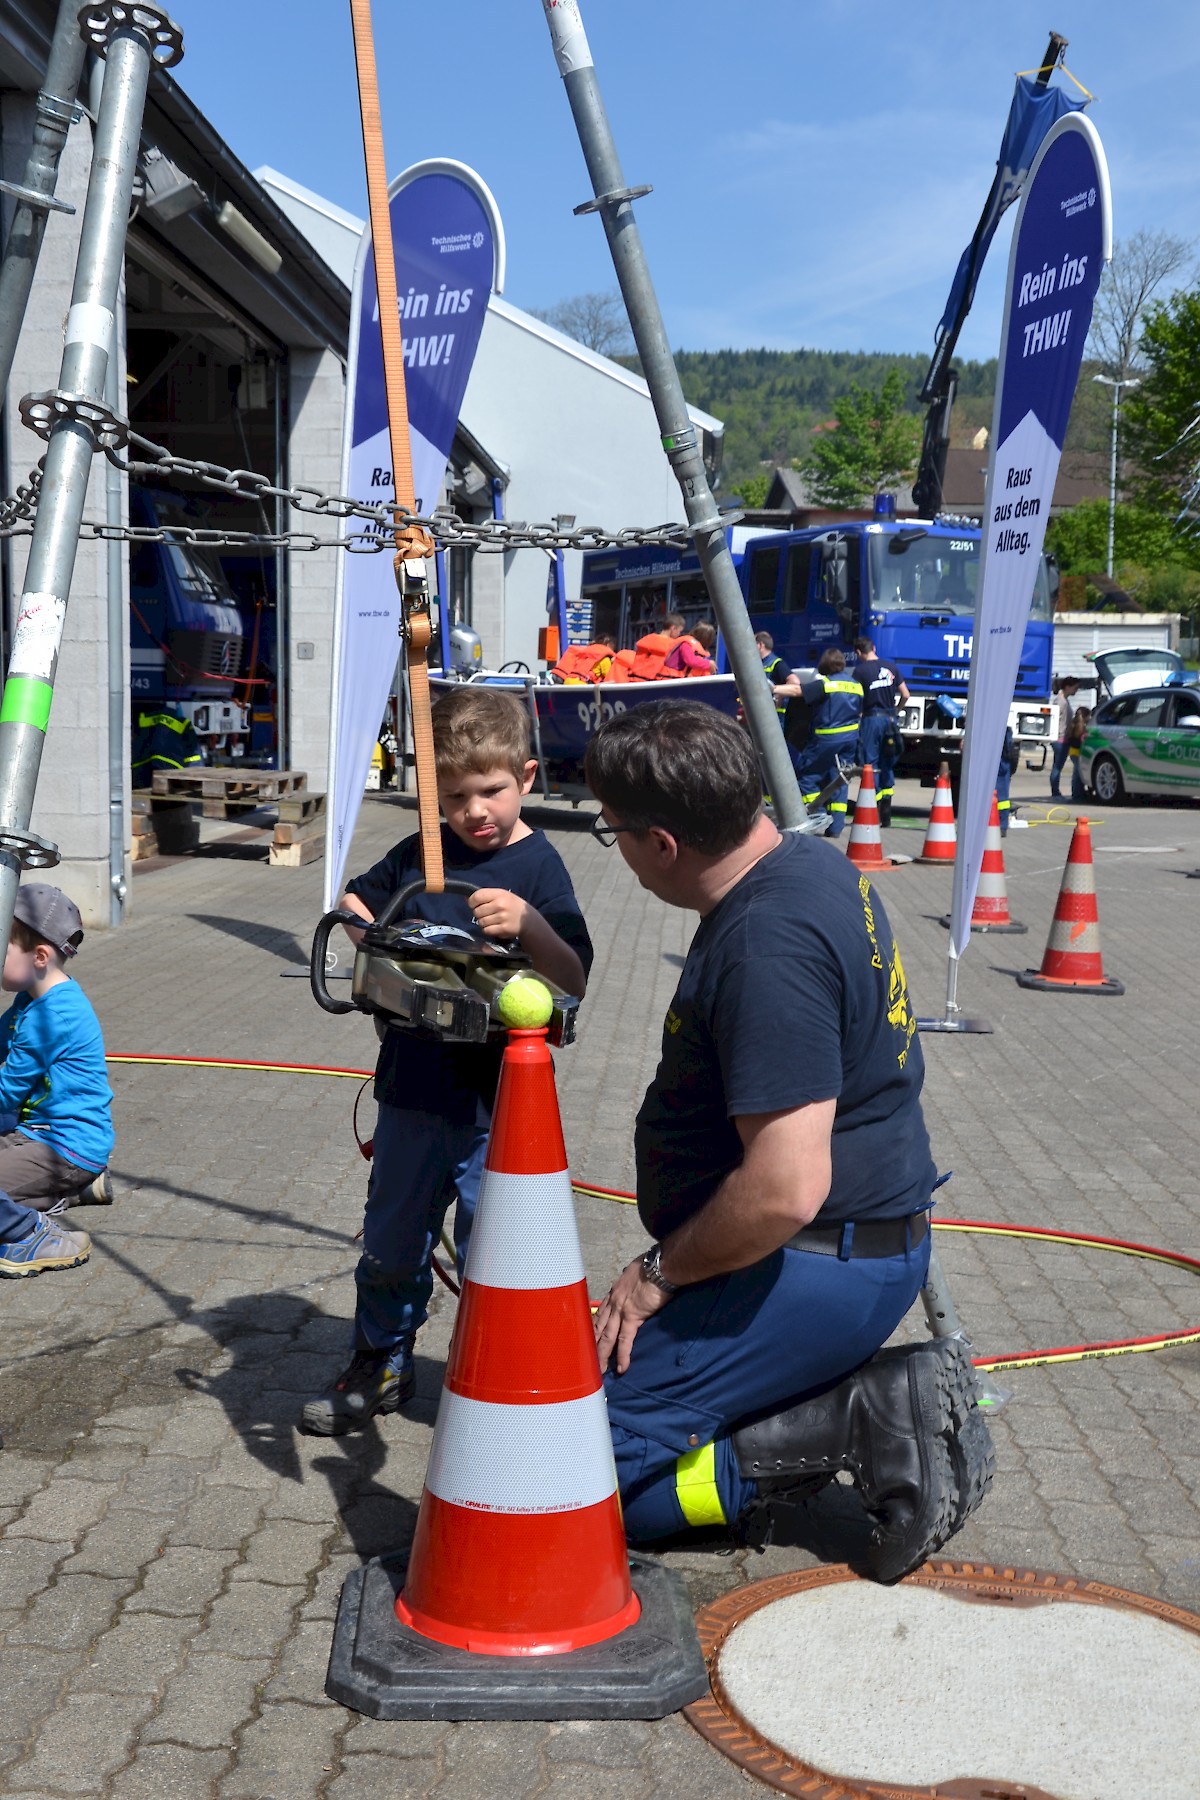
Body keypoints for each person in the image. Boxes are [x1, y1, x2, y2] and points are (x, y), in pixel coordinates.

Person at [584, 701, 991, 1582]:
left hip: (811, 1261)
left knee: (564, 1481)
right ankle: (813, 1403)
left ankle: (852, 1416)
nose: (613, 848)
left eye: (611, 831)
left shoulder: (769, 943)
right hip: (837, 1255)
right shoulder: (805, 859)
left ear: (661, 843)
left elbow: (783, 1188)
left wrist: (656, 1276)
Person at [302, 685, 593, 1436]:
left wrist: (528, 924)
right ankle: (381, 1360)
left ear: (527, 776)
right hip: (412, 1090)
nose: (475, 812)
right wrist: (375, 940)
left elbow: (575, 977)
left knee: (494, 1248)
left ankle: (495, 1378)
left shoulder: (539, 868)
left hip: (499, 1106)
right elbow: (358, 911)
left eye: (491, 791)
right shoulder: (420, 852)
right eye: (457, 795)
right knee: (393, 1237)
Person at [0, 885, 115, 1212]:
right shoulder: (30, 997)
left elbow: (6, 1094)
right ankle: (80, 1191)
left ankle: (70, 1193)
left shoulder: (51, 1017)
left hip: (67, 1149)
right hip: (32, 1133)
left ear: (39, 957)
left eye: (1, 948)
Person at [783, 647, 863, 836]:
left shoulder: (826, 684)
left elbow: (797, 691)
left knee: (805, 777)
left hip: (827, 738)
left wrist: (770, 688)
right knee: (840, 779)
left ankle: (819, 814)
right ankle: (836, 827)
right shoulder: (856, 685)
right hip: (851, 739)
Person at [853, 636, 909, 828]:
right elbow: (906, 694)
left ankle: (873, 812)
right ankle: (886, 815)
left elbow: (857, 700)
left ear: (858, 653)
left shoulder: (860, 671)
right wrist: (897, 711)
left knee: (871, 764)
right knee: (888, 763)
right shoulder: (891, 666)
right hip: (890, 719)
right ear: (874, 648)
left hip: (871, 719)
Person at [755, 631, 801, 718]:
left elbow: (795, 682)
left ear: (760, 645)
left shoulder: (776, 663)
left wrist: (779, 694)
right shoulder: (759, 664)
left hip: (774, 716)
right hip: (763, 714)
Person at [629, 613, 687, 681]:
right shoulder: (673, 645)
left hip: (635, 680)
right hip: (655, 682)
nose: (679, 634)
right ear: (673, 628)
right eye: (679, 631)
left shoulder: (647, 640)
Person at [1049, 677, 1081, 800]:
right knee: (1058, 766)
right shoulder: (1060, 702)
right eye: (1075, 688)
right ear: (1067, 687)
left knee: (1058, 765)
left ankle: (1056, 791)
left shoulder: (1064, 701)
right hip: (1060, 739)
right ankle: (1055, 792)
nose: (1076, 691)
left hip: (1063, 738)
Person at [1067, 706, 1091, 801]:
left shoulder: (1073, 724)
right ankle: (1077, 794)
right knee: (1078, 774)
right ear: (1085, 716)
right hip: (1078, 753)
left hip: (1073, 752)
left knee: (1077, 773)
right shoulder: (1082, 728)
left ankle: (1077, 792)